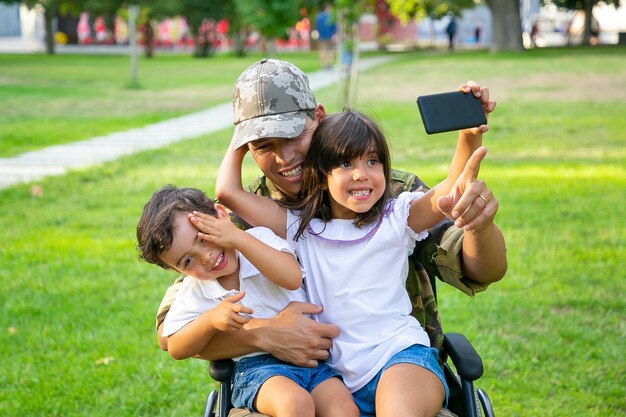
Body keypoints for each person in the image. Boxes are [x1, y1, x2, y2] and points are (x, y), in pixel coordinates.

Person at [155, 58, 505, 415]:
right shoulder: (254, 219)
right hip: (306, 380)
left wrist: (476, 202)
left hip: (397, 362)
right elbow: (175, 330)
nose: (284, 155)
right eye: (263, 145)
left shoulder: (390, 198)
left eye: (293, 135)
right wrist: (262, 333)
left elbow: (475, 261)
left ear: (318, 118)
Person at [137, 185, 358, 417]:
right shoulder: (197, 290)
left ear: (221, 215)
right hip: (258, 370)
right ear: (176, 269)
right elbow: (175, 347)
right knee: (295, 404)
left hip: (312, 362)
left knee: (343, 408)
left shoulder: (259, 239)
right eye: (188, 260)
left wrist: (237, 238)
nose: (206, 257)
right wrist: (209, 321)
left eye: (203, 237)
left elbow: (291, 277)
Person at [315, 3, 337, 69]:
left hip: (321, 36)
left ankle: (323, 65)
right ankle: (329, 64)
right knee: (330, 50)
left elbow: (317, 27)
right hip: (330, 36)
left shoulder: (319, 17)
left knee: (322, 50)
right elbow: (334, 27)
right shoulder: (331, 17)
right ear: (328, 8)